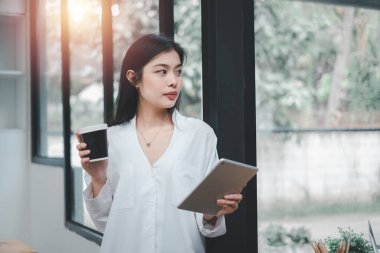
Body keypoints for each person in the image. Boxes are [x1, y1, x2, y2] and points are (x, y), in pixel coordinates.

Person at [75, 34, 243, 253]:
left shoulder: (199, 135)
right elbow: (106, 223)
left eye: (178, 71)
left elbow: (207, 225)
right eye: (162, 71)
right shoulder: (110, 140)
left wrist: (213, 212)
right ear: (133, 78)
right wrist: (98, 178)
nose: (174, 80)